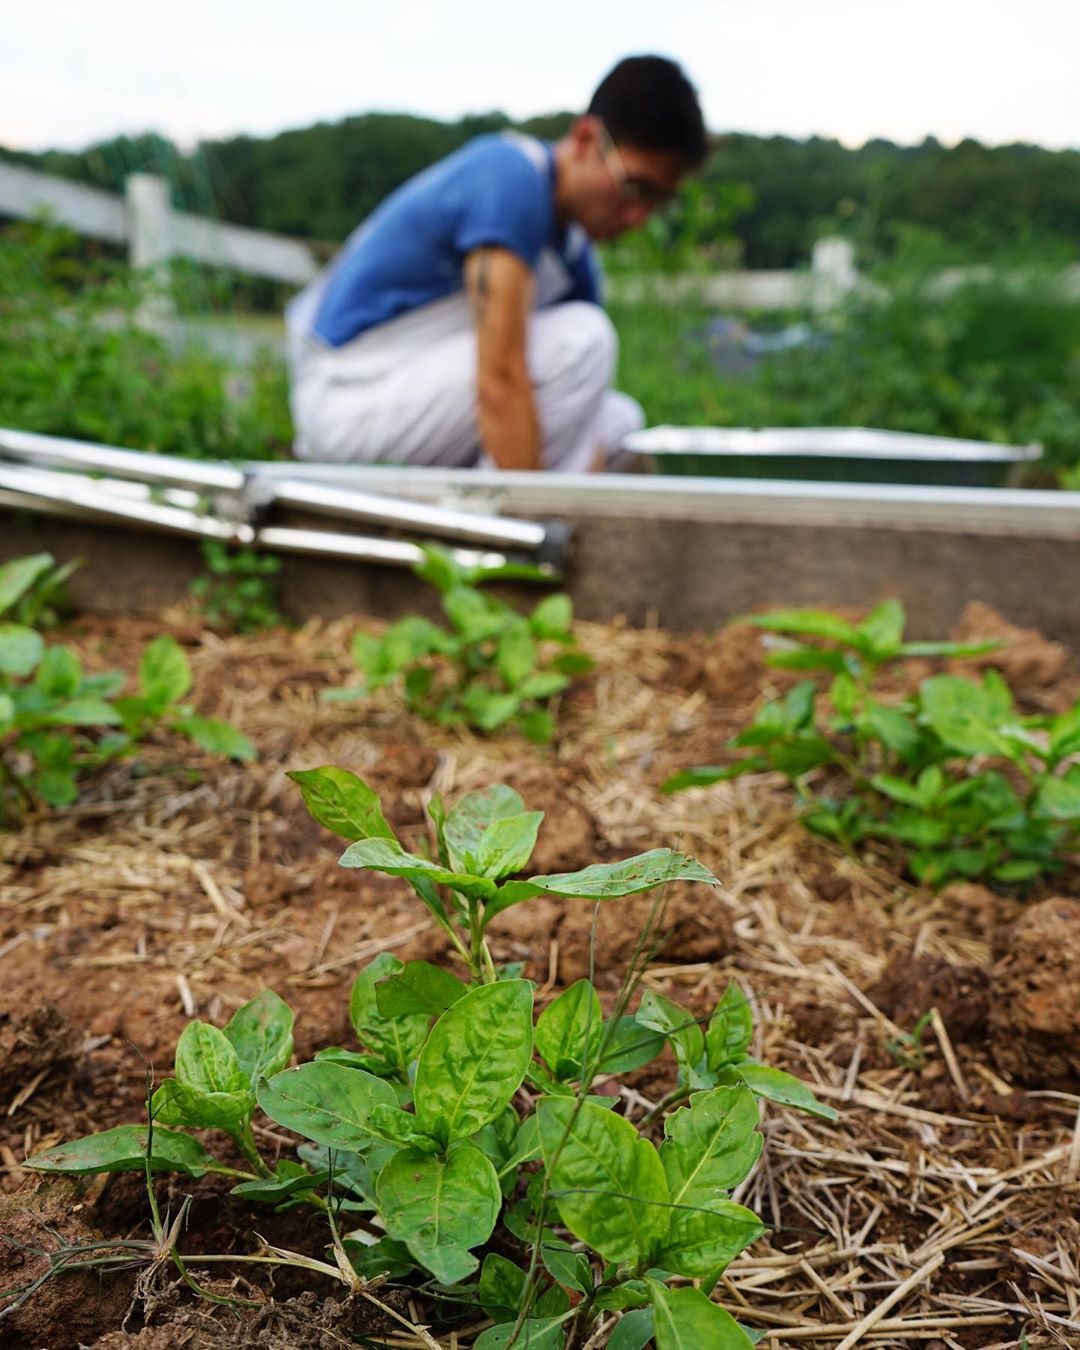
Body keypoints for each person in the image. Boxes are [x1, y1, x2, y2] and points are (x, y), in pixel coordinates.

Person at [285, 55, 708, 472]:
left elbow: (579, 414)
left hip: (417, 399)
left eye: (656, 202)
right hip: (349, 399)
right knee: (584, 342)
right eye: (634, 187)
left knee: (619, 420)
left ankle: (516, 514)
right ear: (584, 140)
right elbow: (500, 380)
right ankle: (510, 532)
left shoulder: (573, 254)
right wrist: (531, 510)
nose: (637, 217)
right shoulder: (511, 179)